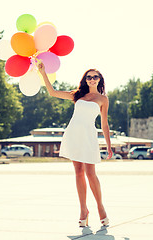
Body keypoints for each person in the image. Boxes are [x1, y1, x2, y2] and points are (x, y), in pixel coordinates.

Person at [38, 62, 113, 227]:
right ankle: (83, 210)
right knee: (78, 172)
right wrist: (43, 73)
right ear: (85, 80)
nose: (92, 79)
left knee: (91, 173)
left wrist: (108, 145)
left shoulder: (103, 99)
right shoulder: (77, 95)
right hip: (73, 134)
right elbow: (52, 92)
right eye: (89, 77)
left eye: (95, 77)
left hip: (88, 136)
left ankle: (101, 208)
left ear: (99, 80)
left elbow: (104, 124)